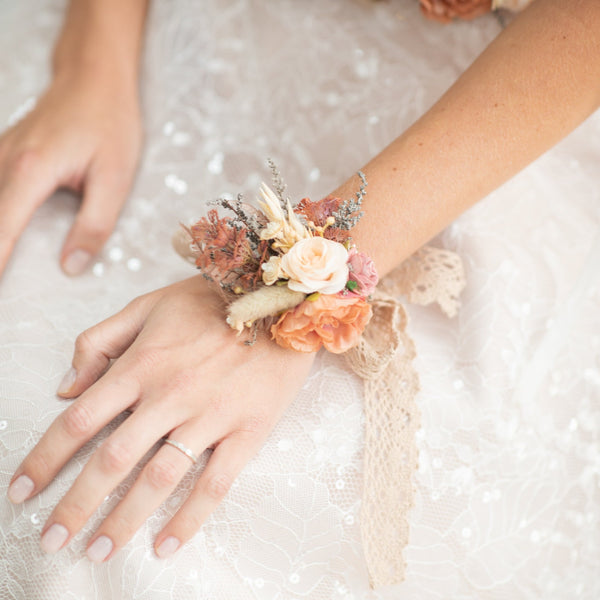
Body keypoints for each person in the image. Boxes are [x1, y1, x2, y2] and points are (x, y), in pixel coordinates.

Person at [1, 0, 599, 597]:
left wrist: (283, 287)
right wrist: (91, 64)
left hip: (483, 120)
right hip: (189, 48)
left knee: (130, 521)